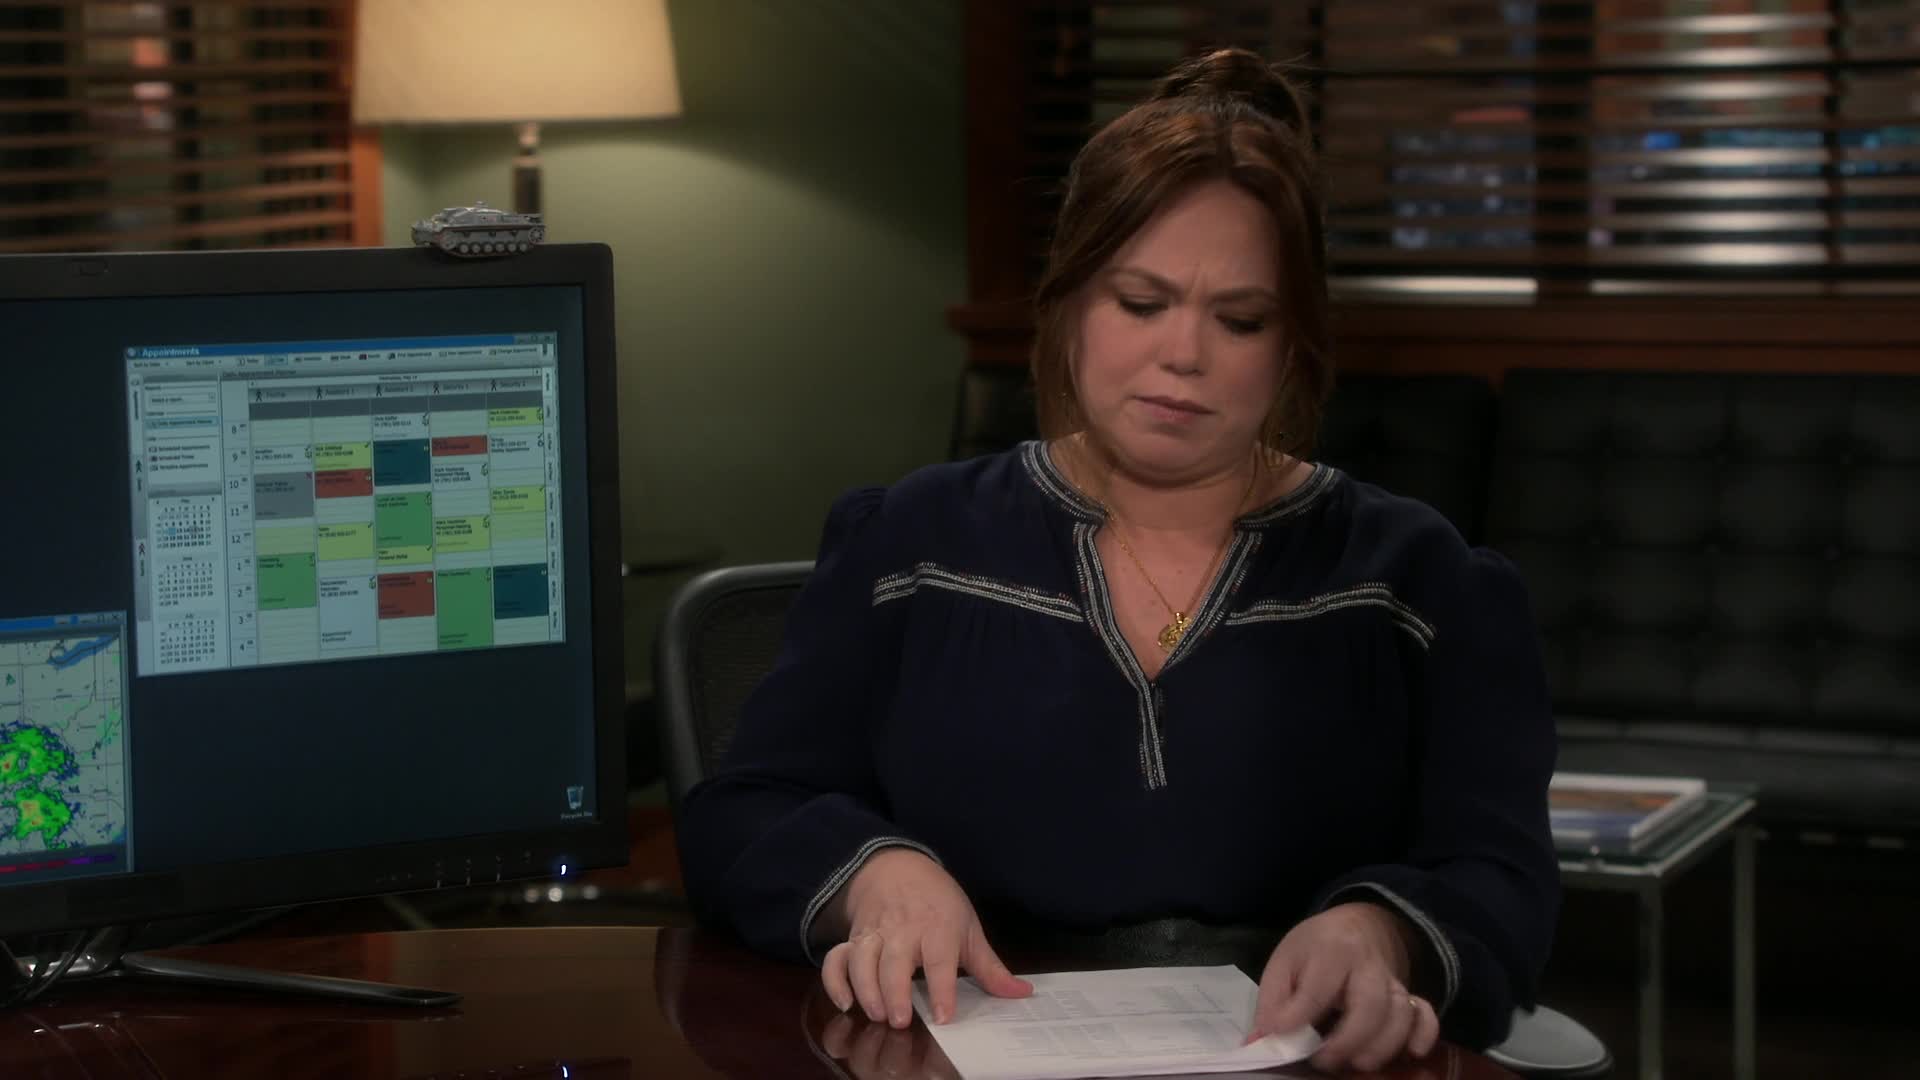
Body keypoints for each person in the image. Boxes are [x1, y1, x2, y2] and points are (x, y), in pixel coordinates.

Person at [676, 47, 1559, 1073]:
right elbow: (740, 815)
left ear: (1293, 344)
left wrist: (1385, 931)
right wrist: (875, 875)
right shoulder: (912, 545)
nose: (1183, 354)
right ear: (1070, 304)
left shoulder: (1418, 582)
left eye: (1240, 319)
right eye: (1141, 303)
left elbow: (1505, 881)